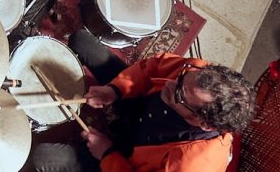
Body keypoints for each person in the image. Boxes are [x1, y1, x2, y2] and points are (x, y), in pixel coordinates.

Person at [29, 30, 255, 171]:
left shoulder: (190, 166)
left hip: (130, 157)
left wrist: (107, 155)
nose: (169, 84)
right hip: (141, 108)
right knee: (81, 40)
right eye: (180, 79)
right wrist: (115, 90)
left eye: (179, 94)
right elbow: (153, 67)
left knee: (41, 158)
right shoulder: (198, 74)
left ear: (204, 123)